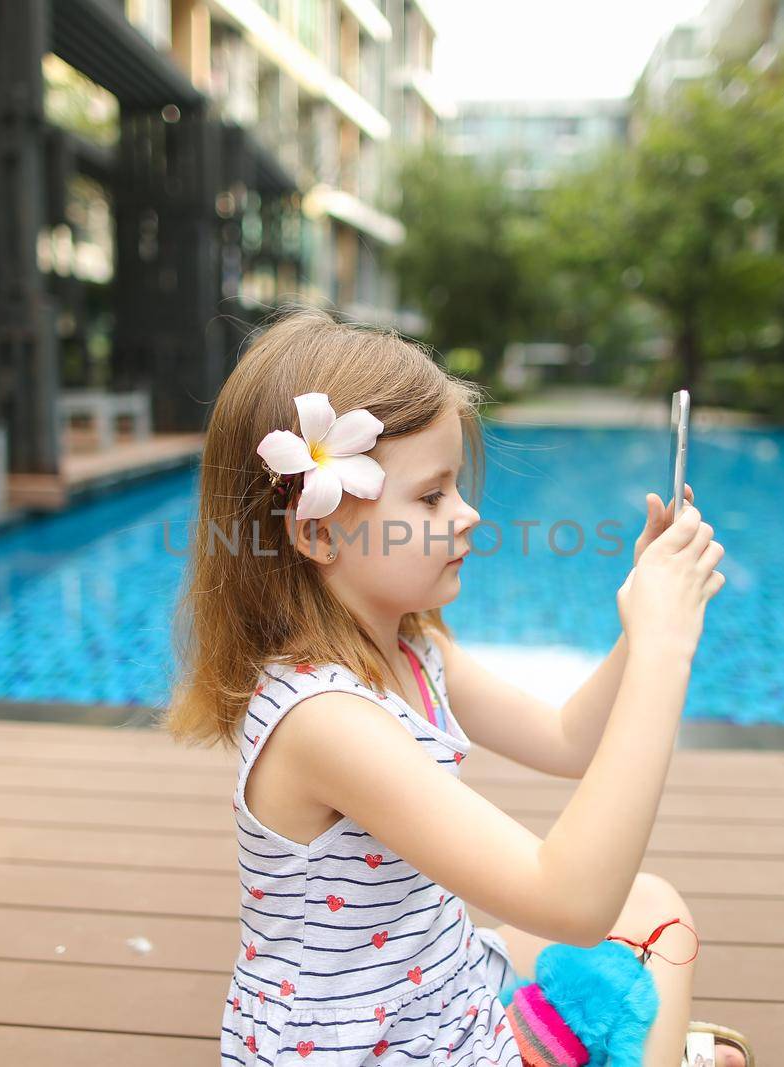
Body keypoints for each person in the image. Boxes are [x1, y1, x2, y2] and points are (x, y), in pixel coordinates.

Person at [165, 308, 747, 1066]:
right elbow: (571, 902)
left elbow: (571, 740)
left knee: (649, 903)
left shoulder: (413, 645)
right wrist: (667, 650)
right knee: (643, 923)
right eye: (432, 496)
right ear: (314, 532)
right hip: (372, 1047)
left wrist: (642, 627)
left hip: (431, 983)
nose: (469, 514)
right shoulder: (324, 718)